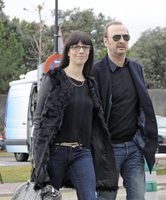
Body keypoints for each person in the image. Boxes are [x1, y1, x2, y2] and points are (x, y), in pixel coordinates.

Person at [31, 31, 118, 200]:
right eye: (76, 47)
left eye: (85, 47)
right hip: (56, 152)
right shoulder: (54, 78)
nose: (81, 51)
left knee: (89, 197)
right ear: (68, 52)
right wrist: (37, 156)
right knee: (48, 197)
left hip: (82, 152)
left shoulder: (91, 84)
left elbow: (96, 122)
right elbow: (39, 118)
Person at [93, 21, 158, 200]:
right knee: (106, 197)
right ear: (106, 41)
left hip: (134, 147)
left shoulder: (136, 68)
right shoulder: (96, 71)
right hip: (108, 149)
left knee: (138, 197)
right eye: (116, 37)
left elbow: (143, 106)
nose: (122, 41)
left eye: (125, 37)